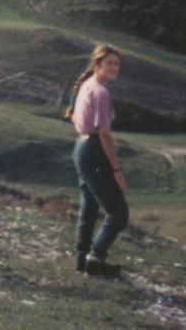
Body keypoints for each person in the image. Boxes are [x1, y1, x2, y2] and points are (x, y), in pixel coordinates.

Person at [66, 44, 128, 276]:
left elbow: (73, 115)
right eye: (109, 63)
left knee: (89, 207)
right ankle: (96, 258)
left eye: (117, 64)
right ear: (97, 64)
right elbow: (104, 133)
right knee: (119, 214)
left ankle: (82, 259)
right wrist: (117, 169)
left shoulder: (86, 85)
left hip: (81, 148)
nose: (114, 67)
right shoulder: (101, 92)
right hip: (93, 150)